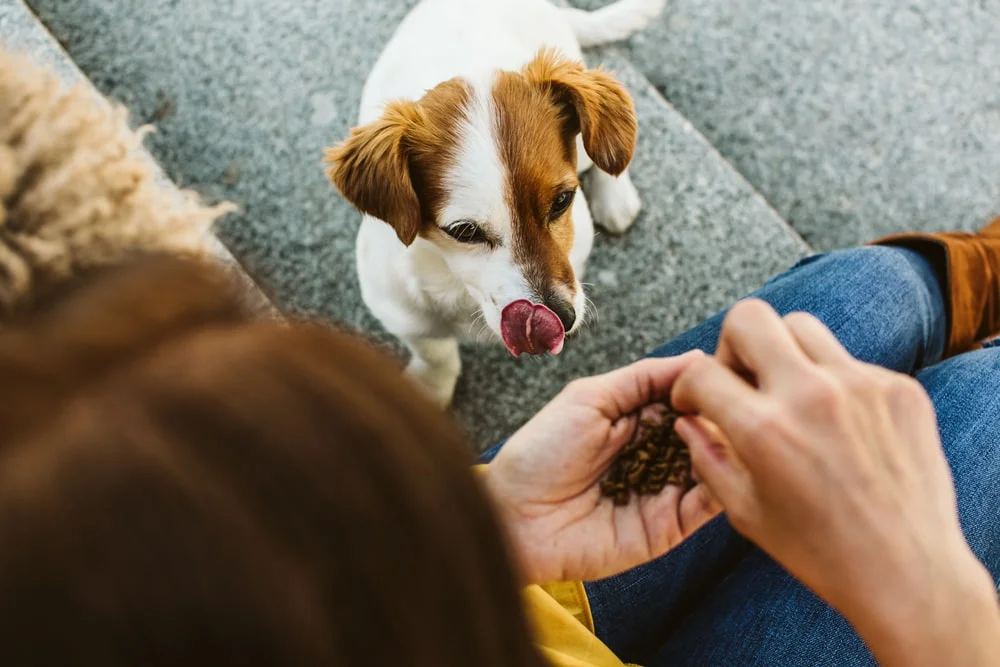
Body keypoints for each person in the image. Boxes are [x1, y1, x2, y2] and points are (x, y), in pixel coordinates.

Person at [0, 217, 997, 667]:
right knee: (983, 410)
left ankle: (963, 278)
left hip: (492, 613)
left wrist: (482, 527)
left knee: (854, 301)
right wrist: (934, 608)